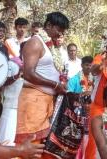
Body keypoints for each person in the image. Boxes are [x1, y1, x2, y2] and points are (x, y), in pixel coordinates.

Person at [15, 12, 69, 145]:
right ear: (49, 25)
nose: (60, 34)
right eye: (59, 29)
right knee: (29, 145)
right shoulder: (35, 42)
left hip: (44, 101)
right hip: (33, 100)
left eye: (63, 31)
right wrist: (55, 85)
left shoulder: (50, 46)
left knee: (40, 145)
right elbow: (28, 74)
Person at [0, 17, 29, 145]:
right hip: (11, 91)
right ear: (15, 27)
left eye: (24, 27)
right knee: (7, 119)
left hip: (24, 91)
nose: (21, 29)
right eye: (19, 27)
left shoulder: (30, 42)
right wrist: (19, 70)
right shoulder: (9, 42)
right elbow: (6, 65)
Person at [67, 56, 93, 159]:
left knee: (89, 136)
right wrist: (82, 95)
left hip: (91, 113)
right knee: (78, 136)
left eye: (91, 65)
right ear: (82, 65)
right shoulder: (74, 79)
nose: (89, 67)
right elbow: (68, 95)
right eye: (87, 65)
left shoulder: (94, 79)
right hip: (77, 114)